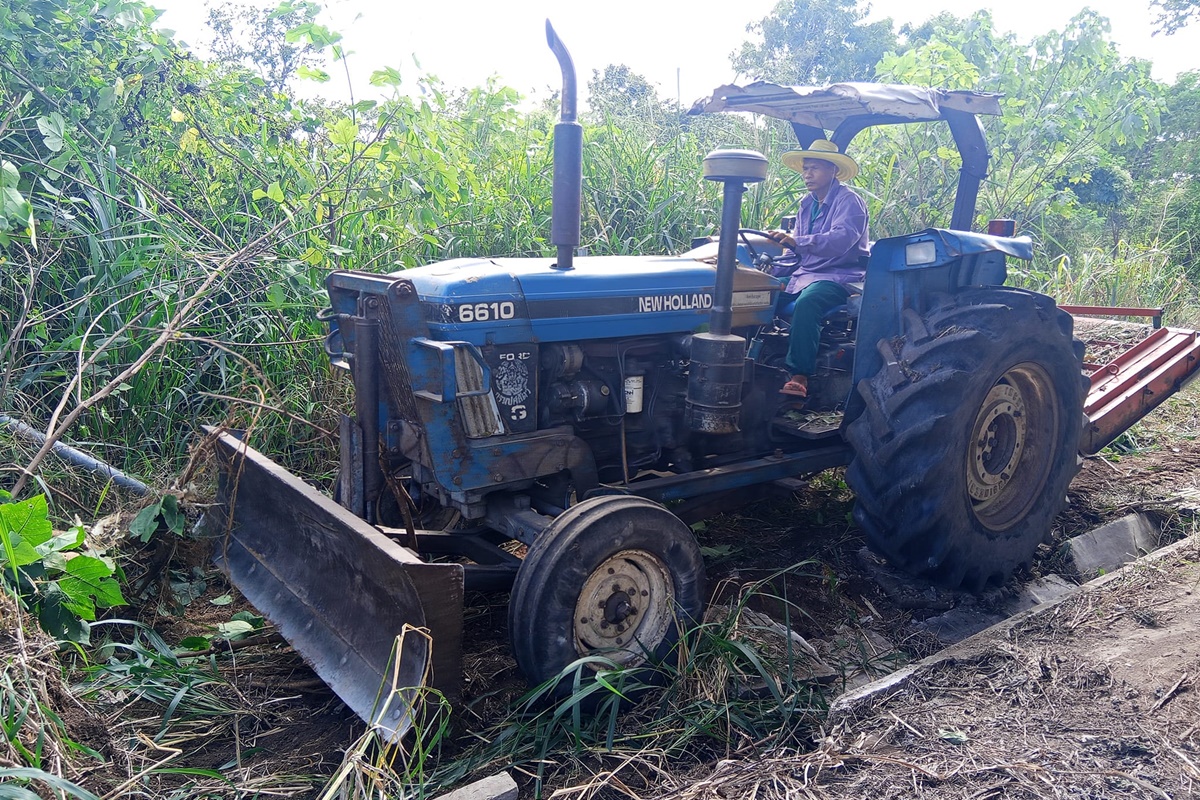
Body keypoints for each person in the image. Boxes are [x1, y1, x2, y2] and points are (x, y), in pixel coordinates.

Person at [766, 140, 870, 399]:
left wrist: (797, 242)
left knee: (808, 302)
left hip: (839, 275)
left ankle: (799, 376)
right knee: (757, 294)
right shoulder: (806, 203)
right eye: (805, 169)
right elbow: (794, 252)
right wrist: (769, 273)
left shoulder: (850, 202)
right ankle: (759, 361)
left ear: (833, 170)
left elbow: (841, 240)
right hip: (805, 273)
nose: (807, 174)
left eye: (814, 168)